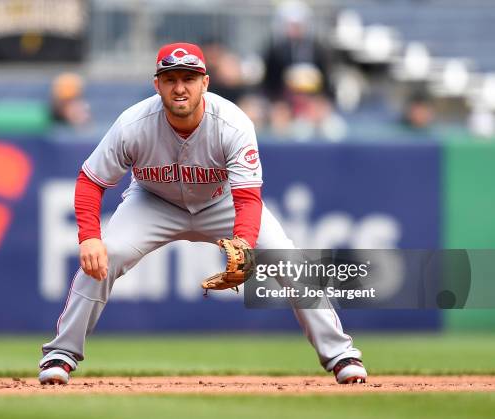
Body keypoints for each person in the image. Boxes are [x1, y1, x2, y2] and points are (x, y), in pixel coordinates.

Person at [38, 42, 367, 385]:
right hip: (153, 202)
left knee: (288, 259)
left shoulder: (232, 123)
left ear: (205, 83)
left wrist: (243, 242)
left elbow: (248, 199)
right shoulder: (133, 123)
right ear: (157, 85)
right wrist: (90, 237)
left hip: (219, 201)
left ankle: (340, 354)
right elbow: (90, 180)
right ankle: (61, 354)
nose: (180, 87)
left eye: (189, 78)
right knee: (105, 255)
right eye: (170, 78)